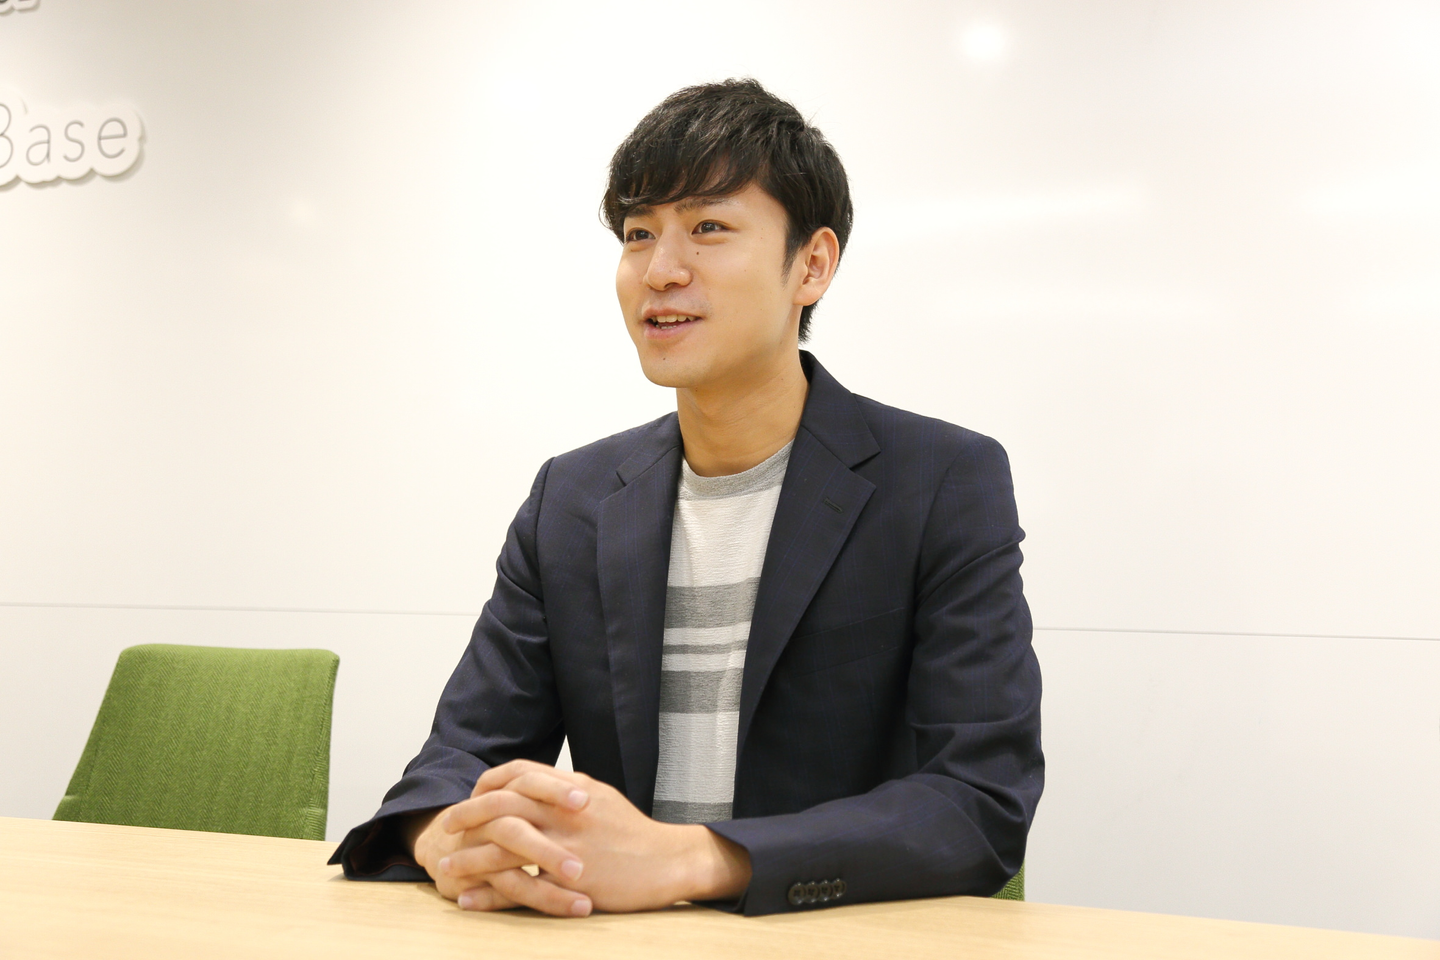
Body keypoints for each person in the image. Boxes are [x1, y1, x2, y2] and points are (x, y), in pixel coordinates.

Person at [331, 78, 1043, 918]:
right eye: (639, 235)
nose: (661, 271)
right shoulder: (573, 498)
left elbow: (977, 802)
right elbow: (459, 756)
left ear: (811, 265)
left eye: (708, 228)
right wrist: (446, 836)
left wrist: (691, 859)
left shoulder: (939, 481)